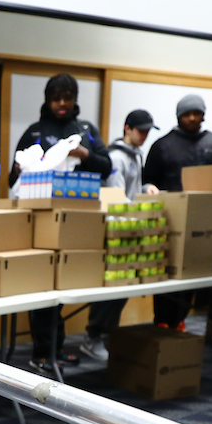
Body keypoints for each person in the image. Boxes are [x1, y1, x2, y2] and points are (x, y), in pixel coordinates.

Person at [9, 74, 112, 375]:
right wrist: (20, 166)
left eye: (68, 97)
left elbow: (107, 166)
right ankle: (42, 352)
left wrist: (84, 154)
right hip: (40, 222)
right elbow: (12, 180)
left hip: (77, 220)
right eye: (57, 98)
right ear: (47, 99)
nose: (63, 103)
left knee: (64, 287)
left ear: (75, 98)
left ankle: (56, 348)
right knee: (42, 287)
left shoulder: (85, 130)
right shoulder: (34, 131)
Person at [143, 94, 212, 331]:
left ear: (203, 115)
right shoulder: (162, 145)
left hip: (203, 221)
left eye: (196, 113)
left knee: (192, 272)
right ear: (178, 116)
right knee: (166, 273)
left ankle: (181, 320)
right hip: (169, 220)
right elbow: (148, 179)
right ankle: (161, 321)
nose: (192, 118)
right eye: (187, 114)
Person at [82, 109, 160, 362]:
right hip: (117, 229)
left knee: (122, 288)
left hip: (132, 227)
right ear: (127, 128)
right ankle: (93, 337)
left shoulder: (136, 155)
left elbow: (134, 188)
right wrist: (141, 210)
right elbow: (116, 198)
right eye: (141, 130)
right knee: (112, 289)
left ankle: (105, 335)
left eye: (148, 131)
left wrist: (146, 189)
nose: (145, 135)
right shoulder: (117, 157)